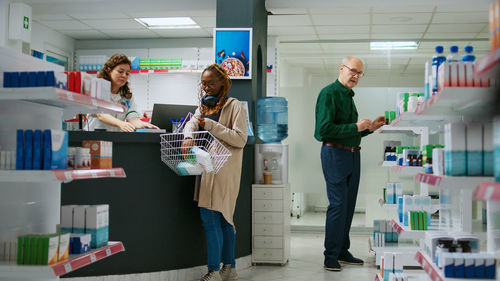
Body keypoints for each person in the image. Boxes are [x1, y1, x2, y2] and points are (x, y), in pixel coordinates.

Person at [314, 56, 385, 272]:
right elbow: (323, 131)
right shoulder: (329, 93)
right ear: (342, 69)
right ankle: (330, 256)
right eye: (353, 70)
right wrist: (355, 127)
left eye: (359, 73)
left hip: (353, 155)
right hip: (335, 154)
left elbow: (349, 133)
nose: (355, 76)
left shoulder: (348, 97)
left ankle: (342, 250)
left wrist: (369, 129)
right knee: (337, 205)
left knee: (349, 206)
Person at [182, 64, 247, 281]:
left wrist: (211, 125)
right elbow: (191, 123)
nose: (207, 87)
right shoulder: (204, 107)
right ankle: (230, 269)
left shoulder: (234, 106)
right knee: (221, 219)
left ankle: (214, 271)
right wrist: (188, 136)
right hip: (208, 169)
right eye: (204, 83)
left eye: (211, 83)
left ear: (222, 83)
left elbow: (240, 138)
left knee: (214, 217)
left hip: (225, 170)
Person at [87, 53, 159, 132]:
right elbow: (101, 115)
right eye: (120, 71)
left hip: (115, 138)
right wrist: (121, 124)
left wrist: (143, 124)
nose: (124, 75)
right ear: (109, 70)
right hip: (94, 139)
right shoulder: (97, 89)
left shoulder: (126, 95)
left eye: (127, 73)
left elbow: (132, 117)